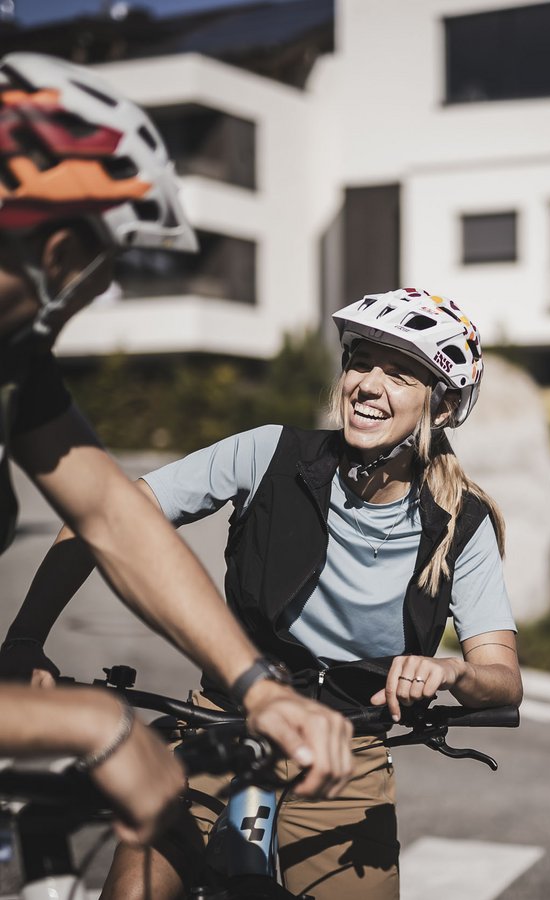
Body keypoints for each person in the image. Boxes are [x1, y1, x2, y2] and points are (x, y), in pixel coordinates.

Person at [4, 286, 522, 898]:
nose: (369, 384)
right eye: (361, 362)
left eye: (402, 374)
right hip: (220, 725)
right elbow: (101, 517)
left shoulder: (462, 522)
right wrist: (25, 641)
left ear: (441, 407)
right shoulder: (268, 453)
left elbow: (502, 677)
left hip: (344, 757)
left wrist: (449, 674)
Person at [0, 52, 354, 841]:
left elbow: (111, 513)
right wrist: (93, 725)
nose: (107, 291)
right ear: (61, 251)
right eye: (113, 263)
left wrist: (259, 687)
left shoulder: (15, 360)